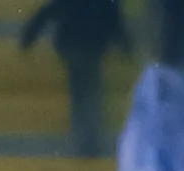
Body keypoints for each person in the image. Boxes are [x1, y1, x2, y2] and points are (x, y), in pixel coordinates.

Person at [18, 0, 127, 153]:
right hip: (92, 46)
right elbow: (115, 21)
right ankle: (90, 138)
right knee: (91, 91)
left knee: (80, 91)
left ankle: (84, 137)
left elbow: (48, 13)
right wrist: (126, 47)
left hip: (73, 45)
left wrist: (28, 37)